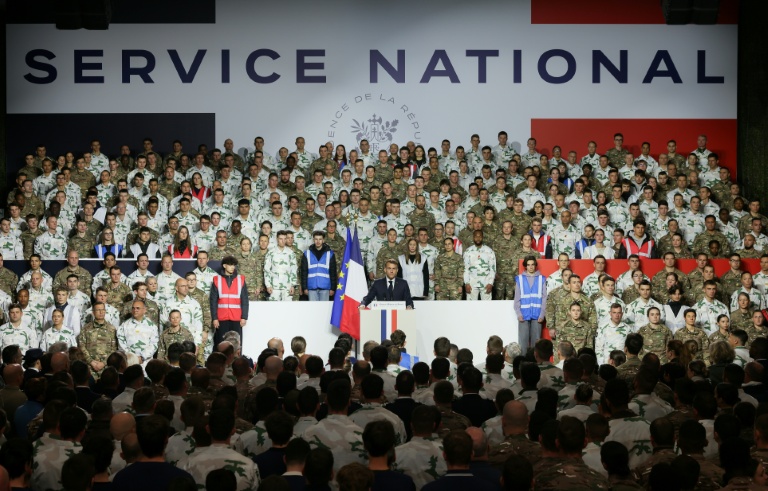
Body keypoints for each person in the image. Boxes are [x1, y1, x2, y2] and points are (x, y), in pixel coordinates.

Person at [210, 255, 249, 346]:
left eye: (234, 265)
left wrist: (244, 317)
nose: (233, 267)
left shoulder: (241, 279)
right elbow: (213, 301)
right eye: (230, 265)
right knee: (221, 344)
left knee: (236, 344)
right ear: (224, 266)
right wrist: (214, 318)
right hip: (221, 318)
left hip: (236, 318)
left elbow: (245, 300)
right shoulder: (217, 280)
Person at [300, 231, 337, 301]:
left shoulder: (330, 254)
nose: (318, 241)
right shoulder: (307, 253)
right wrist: (304, 287)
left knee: (324, 308)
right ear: (313, 240)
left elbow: (333, 272)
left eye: (320, 239)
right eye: (316, 239)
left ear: (323, 240)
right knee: (313, 307)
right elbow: (304, 272)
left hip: (325, 287)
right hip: (311, 287)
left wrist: (333, 288)